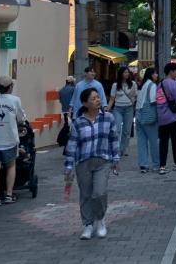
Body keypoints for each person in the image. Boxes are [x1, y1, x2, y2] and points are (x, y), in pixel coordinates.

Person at [64, 87, 120, 240]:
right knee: (86, 194)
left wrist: (116, 158)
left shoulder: (108, 117)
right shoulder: (78, 122)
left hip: (103, 160)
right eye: (93, 98)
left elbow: (113, 139)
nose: (98, 100)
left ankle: (100, 220)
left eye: (98, 97)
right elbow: (72, 144)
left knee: (99, 192)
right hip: (83, 162)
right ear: (85, 103)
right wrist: (68, 165)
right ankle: (88, 225)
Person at [0, 75, 27, 206]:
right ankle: (9, 194)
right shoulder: (15, 100)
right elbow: (21, 118)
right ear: (10, 87)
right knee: (11, 166)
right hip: (9, 139)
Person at [156, 63, 176, 174]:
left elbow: (158, 101)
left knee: (163, 142)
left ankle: (162, 166)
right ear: (171, 72)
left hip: (162, 118)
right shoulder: (174, 84)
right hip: (173, 117)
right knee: (175, 141)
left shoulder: (160, 84)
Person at [135, 68, 161, 173]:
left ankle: (143, 164)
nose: (157, 74)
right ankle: (156, 164)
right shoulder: (152, 85)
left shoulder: (143, 85)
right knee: (154, 141)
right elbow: (153, 100)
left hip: (138, 114)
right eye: (155, 73)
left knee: (141, 141)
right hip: (148, 116)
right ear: (151, 75)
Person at [108, 67, 137, 158]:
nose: (127, 74)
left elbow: (135, 96)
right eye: (125, 72)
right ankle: (116, 149)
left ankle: (124, 148)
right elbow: (112, 99)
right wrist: (108, 108)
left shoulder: (133, 84)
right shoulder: (115, 85)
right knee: (117, 129)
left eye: (128, 72)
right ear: (121, 73)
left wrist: (134, 103)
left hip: (129, 108)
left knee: (127, 131)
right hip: (118, 109)